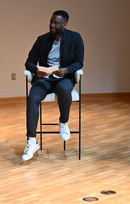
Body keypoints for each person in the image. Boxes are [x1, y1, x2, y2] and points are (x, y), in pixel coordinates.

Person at [22, 10, 84, 161]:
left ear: (64, 25)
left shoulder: (75, 38)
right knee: (33, 98)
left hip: (64, 77)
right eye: (51, 21)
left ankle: (63, 121)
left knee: (64, 89)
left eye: (56, 23)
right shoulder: (42, 40)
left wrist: (66, 70)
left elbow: (79, 62)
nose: (52, 25)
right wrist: (37, 70)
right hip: (44, 79)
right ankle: (31, 141)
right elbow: (29, 62)